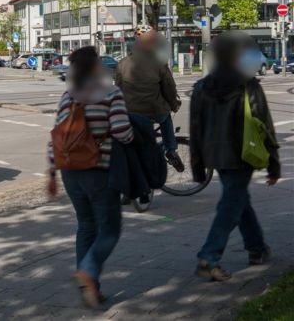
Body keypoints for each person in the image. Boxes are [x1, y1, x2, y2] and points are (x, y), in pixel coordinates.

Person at [47, 46, 134, 307]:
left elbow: (56, 136)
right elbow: (121, 132)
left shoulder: (68, 96)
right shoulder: (110, 93)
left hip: (70, 173)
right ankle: (88, 270)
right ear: (96, 66)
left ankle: (90, 289)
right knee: (110, 229)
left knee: (86, 226)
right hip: (98, 170)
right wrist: (133, 136)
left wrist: (51, 173)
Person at [190, 33, 280, 281]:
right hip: (242, 153)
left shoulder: (201, 87)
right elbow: (265, 126)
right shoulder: (248, 85)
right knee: (231, 203)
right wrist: (274, 165)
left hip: (214, 154)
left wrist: (197, 168)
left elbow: (195, 129)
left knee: (238, 198)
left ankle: (257, 249)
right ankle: (209, 256)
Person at [115, 25, 184, 172]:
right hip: (155, 110)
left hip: (132, 113)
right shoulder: (158, 62)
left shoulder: (122, 64)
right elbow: (169, 87)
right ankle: (171, 149)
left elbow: (118, 89)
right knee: (166, 119)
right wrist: (174, 104)